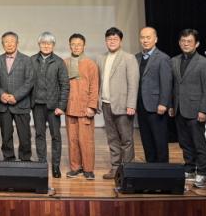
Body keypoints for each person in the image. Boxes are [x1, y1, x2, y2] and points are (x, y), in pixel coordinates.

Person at [169, 29, 206, 189]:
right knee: (184, 142)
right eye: (183, 41)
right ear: (179, 42)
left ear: (197, 44)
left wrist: (204, 110)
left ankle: (202, 173)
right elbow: (173, 86)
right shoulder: (174, 60)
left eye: (189, 41)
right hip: (179, 108)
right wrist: (171, 105)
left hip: (196, 110)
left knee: (198, 143)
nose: (185, 44)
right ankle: (189, 169)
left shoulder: (204, 63)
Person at [97, 27, 139, 180]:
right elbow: (99, 82)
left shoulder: (129, 58)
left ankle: (128, 169)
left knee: (126, 140)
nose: (112, 41)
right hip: (106, 104)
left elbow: (133, 83)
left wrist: (131, 105)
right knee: (112, 139)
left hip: (123, 105)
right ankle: (115, 168)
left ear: (121, 41)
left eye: (115, 39)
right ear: (105, 41)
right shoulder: (101, 58)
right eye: (109, 39)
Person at [30, 31, 70, 178]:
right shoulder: (32, 60)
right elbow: (28, 83)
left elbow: (65, 85)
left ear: (53, 45)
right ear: (39, 44)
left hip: (54, 107)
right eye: (43, 43)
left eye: (49, 43)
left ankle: (55, 166)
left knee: (56, 136)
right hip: (37, 105)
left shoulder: (59, 62)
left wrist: (61, 106)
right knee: (39, 135)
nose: (46, 46)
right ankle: (42, 163)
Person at [64, 33, 99, 180]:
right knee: (72, 140)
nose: (76, 47)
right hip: (70, 107)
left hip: (85, 108)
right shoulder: (65, 63)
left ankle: (88, 169)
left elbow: (94, 86)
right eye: (73, 44)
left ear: (84, 46)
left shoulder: (90, 64)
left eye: (79, 44)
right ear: (70, 46)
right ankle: (75, 167)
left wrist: (92, 106)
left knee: (86, 141)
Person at [135, 27, 172, 163]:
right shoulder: (137, 57)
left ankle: (163, 169)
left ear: (155, 39)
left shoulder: (163, 58)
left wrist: (163, 103)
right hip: (141, 106)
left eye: (148, 37)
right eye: (142, 37)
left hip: (157, 106)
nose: (145, 40)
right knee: (146, 140)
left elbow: (166, 83)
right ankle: (150, 168)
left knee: (159, 140)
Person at [0, 31, 34, 162]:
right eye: (6, 41)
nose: (9, 44)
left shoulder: (27, 60)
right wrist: (1, 94)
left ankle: (25, 159)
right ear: (2, 44)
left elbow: (29, 81)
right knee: (6, 135)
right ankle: (8, 159)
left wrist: (15, 97)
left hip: (21, 104)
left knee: (24, 135)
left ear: (17, 43)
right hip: (3, 104)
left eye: (12, 41)